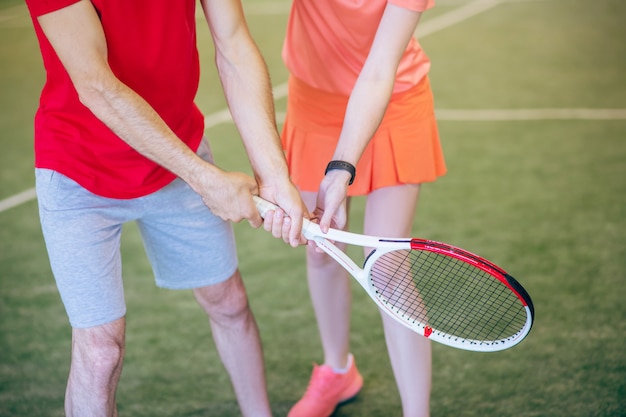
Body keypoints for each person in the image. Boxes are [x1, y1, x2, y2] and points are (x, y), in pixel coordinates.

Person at [24, 0, 306, 416]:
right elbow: (97, 85)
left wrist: (275, 175)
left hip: (178, 150)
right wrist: (205, 179)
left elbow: (233, 44)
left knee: (228, 301)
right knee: (101, 351)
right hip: (78, 172)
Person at [263, 0, 446, 416]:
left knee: (388, 267)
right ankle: (337, 369)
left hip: (394, 99)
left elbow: (379, 71)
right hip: (314, 101)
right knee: (321, 250)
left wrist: (340, 169)